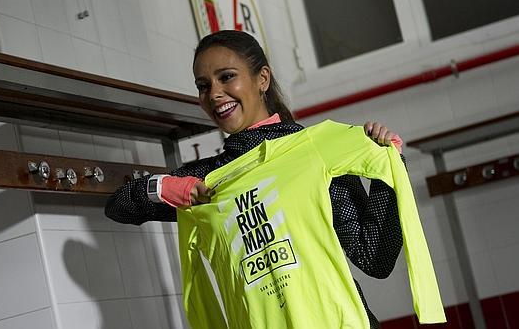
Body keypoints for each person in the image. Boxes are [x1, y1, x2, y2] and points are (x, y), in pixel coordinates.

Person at [105, 30, 404, 328]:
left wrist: (387, 171)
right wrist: (165, 187)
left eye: (226, 77)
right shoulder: (207, 182)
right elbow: (118, 207)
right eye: (203, 85)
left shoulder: (314, 153)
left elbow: (374, 258)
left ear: (262, 79)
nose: (215, 94)